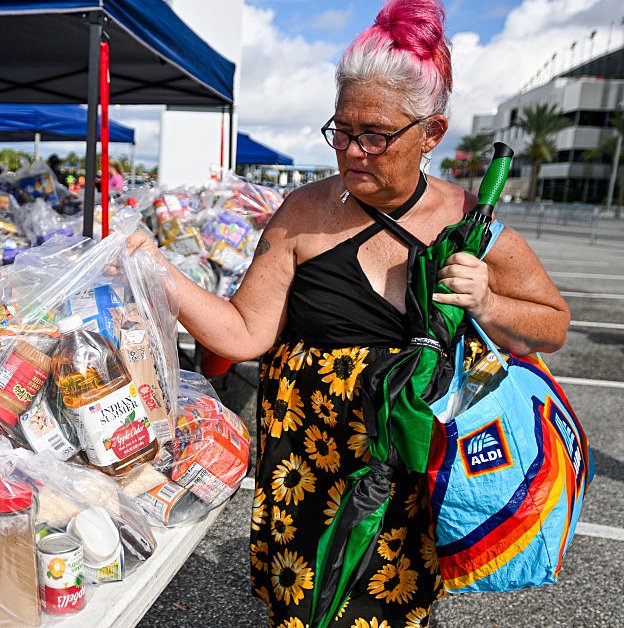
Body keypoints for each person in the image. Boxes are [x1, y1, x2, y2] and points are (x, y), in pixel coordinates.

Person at [127, 0, 569, 625]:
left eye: (377, 135)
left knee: (390, 607)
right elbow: (246, 331)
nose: (354, 152)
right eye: (343, 131)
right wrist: (157, 270)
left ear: (432, 133)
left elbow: (552, 324)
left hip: (407, 471)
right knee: (309, 607)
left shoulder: (471, 219)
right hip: (307, 468)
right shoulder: (302, 213)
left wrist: (489, 302)